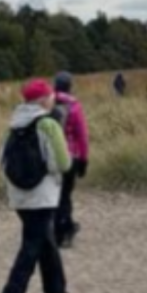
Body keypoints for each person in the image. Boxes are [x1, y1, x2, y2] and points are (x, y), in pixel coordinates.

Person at [0, 78, 72, 293]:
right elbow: (63, 162)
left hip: (18, 195)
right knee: (31, 244)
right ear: (42, 99)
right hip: (43, 194)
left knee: (44, 239)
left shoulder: (13, 125)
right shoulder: (48, 124)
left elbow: (2, 160)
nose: (53, 99)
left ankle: (56, 289)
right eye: (50, 96)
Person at [50, 72, 90, 249]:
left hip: (49, 157)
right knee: (65, 195)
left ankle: (54, 230)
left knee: (51, 195)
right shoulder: (74, 106)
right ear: (69, 86)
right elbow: (82, 136)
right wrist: (83, 159)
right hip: (69, 155)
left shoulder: (46, 104)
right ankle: (65, 231)